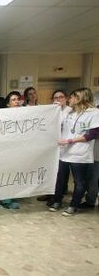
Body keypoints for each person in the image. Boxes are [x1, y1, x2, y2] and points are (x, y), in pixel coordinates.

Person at [49, 88, 99, 216]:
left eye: (71, 97)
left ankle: (73, 205)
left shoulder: (93, 113)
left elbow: (92, 134)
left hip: (80, 153)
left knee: (79, 181)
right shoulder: (69, 112)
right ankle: (57, 201)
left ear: (80, 98)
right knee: (59, 179)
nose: (69, 100)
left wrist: (70, 140)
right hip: (64, 152)